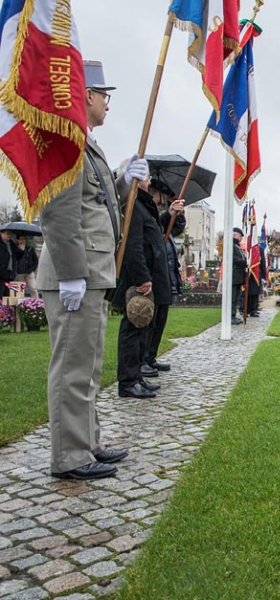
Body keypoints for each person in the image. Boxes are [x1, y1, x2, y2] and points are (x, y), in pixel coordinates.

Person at [36, 60, 146, 480]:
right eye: (105, 95)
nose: (108, 103)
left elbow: (95, 201)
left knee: (89, 367)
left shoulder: (86, 142)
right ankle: (69, 457)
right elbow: (58, 211)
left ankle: (88, 442)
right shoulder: (65, 138)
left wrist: (122, 178)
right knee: (71, 367)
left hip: (91, 271)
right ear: (85, 95)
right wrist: (70, 272)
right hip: (76, 271)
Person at [112, 174, 168, 399]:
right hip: (138, 279)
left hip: (148, 277)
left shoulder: (144, 206)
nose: (150, 178)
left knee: (141, 329)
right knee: (132, 329)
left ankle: (135, 376)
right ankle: (127, 382)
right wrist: (142, 277)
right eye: (145, 175)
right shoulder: (134, 205)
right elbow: (133, 245)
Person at [143, 180, 186, 374]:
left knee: (160, 320)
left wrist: (178, 211)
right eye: (159, 203)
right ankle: (142, 359)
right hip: (154, 275)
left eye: (163, 204)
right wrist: (167, 213)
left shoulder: (159, 219)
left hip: (166, 276)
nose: (161, 206)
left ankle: (151, 357)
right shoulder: (144, 213)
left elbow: (176, 227)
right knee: (149, 322)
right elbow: (154, 226)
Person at [231, 228, 248, 325]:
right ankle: (231, 316)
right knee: (233, 297)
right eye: (240, 236)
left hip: (238, 276)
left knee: (236, 297)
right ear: (235, 235)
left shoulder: (237, 246)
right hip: (234, 275)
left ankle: (233, 315)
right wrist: (245, 262)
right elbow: (234, 258)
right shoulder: (232, 245)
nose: (241, 238)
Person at [247, 240, 266, 317]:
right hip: (247, 273)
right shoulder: (246, 248)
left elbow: (263, 262)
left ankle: (254, 309)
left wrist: (263, 276)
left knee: (255, 292)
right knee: (246, 292)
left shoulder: (259, 249)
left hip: (256, 273)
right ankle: (245, 309)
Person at [0, 229, 22, 296]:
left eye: (10, 234)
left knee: (10, 295)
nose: (9, 236)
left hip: (11, 273)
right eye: (7, 233)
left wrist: (21, 250)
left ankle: (8, 306)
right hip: (1, 273)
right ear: (1, 233)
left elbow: (17, 257)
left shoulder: (12, 244)